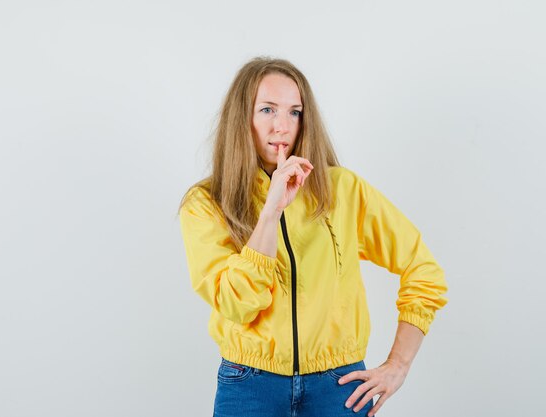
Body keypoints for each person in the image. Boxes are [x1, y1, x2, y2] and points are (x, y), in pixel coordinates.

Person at [177, 57, 448, 417]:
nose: (282, 126)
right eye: (267, 109)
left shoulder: (342, 189)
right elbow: (238, 303)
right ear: (241, 118)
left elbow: (423, 269)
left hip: (339, 386)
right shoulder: (206, 203)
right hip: (249, 386)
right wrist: (271, 211)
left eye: (294, 112)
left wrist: (398, 365)